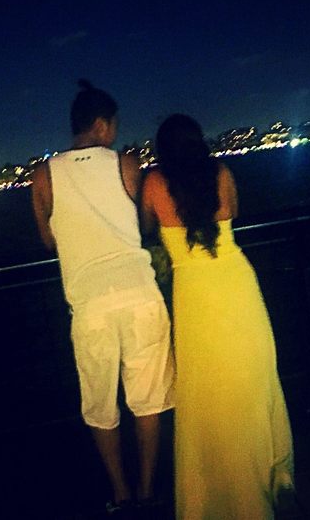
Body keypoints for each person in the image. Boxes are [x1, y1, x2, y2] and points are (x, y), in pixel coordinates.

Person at [31, 80, 175, 516]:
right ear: (100, 125)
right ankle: (147, 492)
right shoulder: (126, 165)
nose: (114, 132)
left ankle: (121, 495)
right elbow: (144, 226)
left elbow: (48, 240)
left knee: (100, 408)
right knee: (148, 403)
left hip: (90, 306)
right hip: (140, 295)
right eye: (113, 125)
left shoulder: (44, 175)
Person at [141, 114, 294, 519]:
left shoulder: (154, 184)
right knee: (252, 380)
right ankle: (270, 475)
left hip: (194, 296)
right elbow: (233, 212)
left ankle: (214, 497)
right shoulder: (221, 173)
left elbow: (148, 229)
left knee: (205, 395)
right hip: (237, 284)